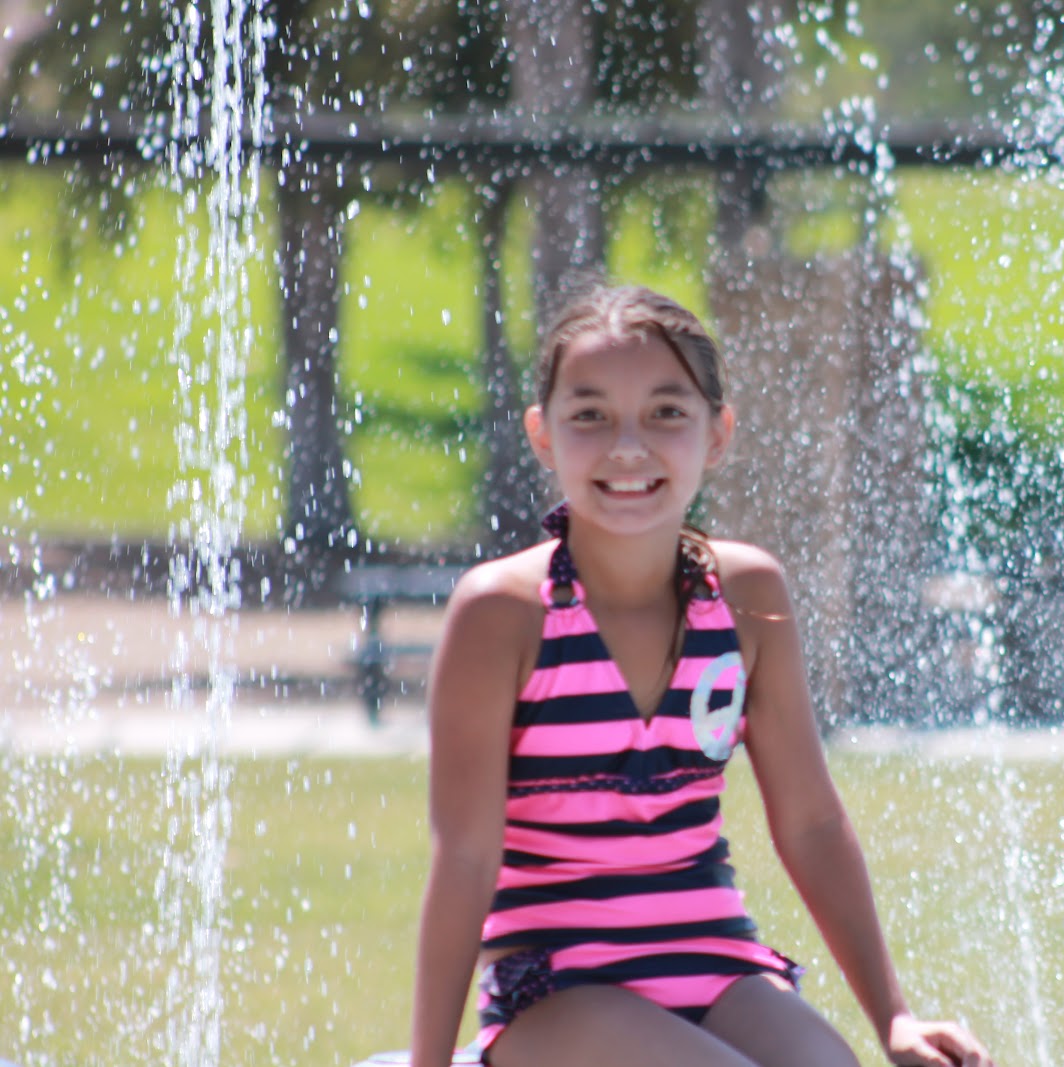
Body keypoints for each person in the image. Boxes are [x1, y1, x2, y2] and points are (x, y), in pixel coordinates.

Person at [410, 284, 994, 1067]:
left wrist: (895, 1018)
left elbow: (812, 823)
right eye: (590, 415)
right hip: (557, 990)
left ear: (717, 434)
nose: (628, 447)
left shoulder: (746, 598)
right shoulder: (505, 613)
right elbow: (465, 857)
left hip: (716, 966)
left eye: (665, 412)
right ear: (543, 434)